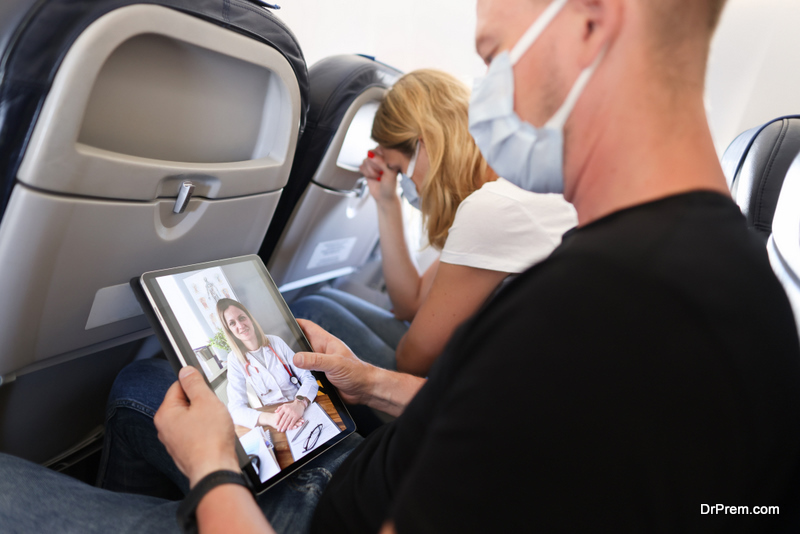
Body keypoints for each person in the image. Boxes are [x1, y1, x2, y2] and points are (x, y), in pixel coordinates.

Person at [1, 0, 800, 533]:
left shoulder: (606, 308)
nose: (487, 92)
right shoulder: (717, 274)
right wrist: (369, 383)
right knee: (153, 394)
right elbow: (523, 442)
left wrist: (213, 472)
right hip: (370, 473)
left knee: (127, 410)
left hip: (309, 511)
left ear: (592, 21)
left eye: (495, 55)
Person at [290, 69, 577, 376]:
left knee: (311, 311)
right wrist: (387, 202)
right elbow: (410, 304)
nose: (404, 183)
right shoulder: (502, 189)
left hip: (497, 384)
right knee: (322, 299)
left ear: (424, 146)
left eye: (400, 170)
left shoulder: (491, 209)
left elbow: (412, 362)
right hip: (501, 365)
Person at [218, 298, 318, 432]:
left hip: (302, 406)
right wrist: (272, 419)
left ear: (250, 318)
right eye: (232, 323)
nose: (240, 326)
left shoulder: (276, 342)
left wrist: (299, 403)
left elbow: (308, 378)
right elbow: (236, 409)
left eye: (242, 318)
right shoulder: (234, 360)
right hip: (277, 419)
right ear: (229, 330)